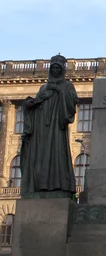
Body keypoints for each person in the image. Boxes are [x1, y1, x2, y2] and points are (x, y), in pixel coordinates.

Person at [20, 54, 78, 196]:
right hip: (42, 127)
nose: (56, 71)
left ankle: (57, 184)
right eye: (54, 68)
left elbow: (72, 103)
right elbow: (38, 102)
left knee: (57, 154)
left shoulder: (68, 85)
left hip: (57, 126)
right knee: (40, 155)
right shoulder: (43, 87)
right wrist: (30, 104)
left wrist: (58, 90)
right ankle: (41, 184)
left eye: (58, 68)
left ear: (62, 70)